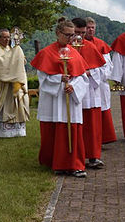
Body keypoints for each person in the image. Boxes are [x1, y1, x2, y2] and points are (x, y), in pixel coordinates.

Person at [30, 19, 89, 177]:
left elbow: (83, 77)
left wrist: (73, 86)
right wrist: (59, 80)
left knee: (73, 132)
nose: (70, 39)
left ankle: (75, 165)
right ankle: (58, 164)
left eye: (72, 35)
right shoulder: (46, 53)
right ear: (58, 33)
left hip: (70, 98)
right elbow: (43, 78)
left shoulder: (75, 53)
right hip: (54, 100)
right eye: (67, 35)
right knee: (54, 132)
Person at [72, 17, 108, 169]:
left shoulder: (91, 47)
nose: (79, 37)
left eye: (82, 32)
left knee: (92, 126)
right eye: (76, 33)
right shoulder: (65, 48)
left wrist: (88, 73)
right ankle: (75, 156)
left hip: (90, 93)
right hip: (72, 92)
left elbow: (101, 69)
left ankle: (93, 157)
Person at [83, 17, 118, 144]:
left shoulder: (101, 44)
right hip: (83, 83)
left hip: (99, 83)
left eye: (92, 27)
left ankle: (103, 138)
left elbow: (108, 66)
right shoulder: (77, 44)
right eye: (88, 27)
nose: (90, 30)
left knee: (102, 108)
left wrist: (96, 75)